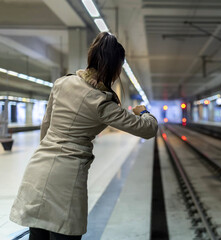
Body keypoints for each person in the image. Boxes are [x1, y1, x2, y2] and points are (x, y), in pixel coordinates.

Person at [9, 32, 158, 240]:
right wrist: (143, 112)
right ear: (115, 67)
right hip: (66, 180)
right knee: (66, 235)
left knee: (38, 235)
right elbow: (149, 129)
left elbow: (46, 126)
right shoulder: (103, 103)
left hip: (37, 169)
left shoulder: (62, 83)